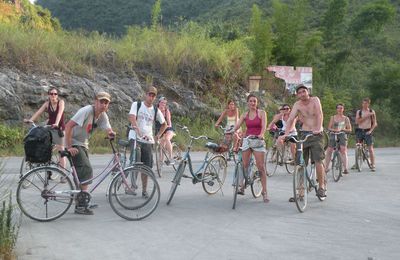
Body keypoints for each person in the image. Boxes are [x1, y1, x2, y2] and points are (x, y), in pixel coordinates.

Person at [64, 91, 115, 215]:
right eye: (101, 102)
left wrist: (110, 133)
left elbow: (107, 127)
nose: (103, 105)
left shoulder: (102, 115)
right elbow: (68, 126)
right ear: (95, 102)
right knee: (86, 169)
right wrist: (69, 147)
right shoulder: (86, 111)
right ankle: (82, 205)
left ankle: (81, 200)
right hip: (74, 142)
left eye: (106, 103)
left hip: (83, 144)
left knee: (81, 174)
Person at [279, 84, 327, 199]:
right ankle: (300, 192)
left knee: (318, 160)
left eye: (304, 92)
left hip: (316, 134)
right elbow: (290, 119)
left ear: (308, 92)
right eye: (299, 92)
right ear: (297, 95)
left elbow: (320, 114)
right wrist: (286, 134)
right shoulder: (297, 105)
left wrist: (318, 128)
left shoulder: (315, 100)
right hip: (304, 133)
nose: (302, 94)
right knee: (300, 163)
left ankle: (321, 187)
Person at [128, 86, 167, 197]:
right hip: (135, 137)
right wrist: (136, 128)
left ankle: (144, 190)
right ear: (146, 94)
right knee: (136, 160)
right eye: (149, 94)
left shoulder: (155, 110)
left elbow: (164, 124)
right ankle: (132, 186)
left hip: (148, 140)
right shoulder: (137, 105)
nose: (151, 97)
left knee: (146, 167)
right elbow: (131, 117)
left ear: (155, 97)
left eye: (153, 95)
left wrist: (158, 136)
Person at [232, 94, 269, 203]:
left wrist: (261, 134)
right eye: (251, 101)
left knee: (261, 167)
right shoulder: (245, 114)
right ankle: (241, 185)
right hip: (247, 140)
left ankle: (265, 192)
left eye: (254, 101)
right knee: (244, 164)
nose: (253, 103)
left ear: (257, 103)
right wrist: (232, 131)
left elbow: (263, 126)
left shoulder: (262, 113)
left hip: (258, 141)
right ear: (248, 103)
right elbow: (237, 125)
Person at [24, 86, 66, 169]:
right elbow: (39, 112)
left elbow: (59, 114)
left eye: (55, 94)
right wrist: (30, 120)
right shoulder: (47, 104)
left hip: (59, 128)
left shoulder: (61, 102)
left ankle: (63, 174)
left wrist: (56, 123)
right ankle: (48, 168)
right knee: (45, 146)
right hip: (50, 127)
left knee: (61, 150)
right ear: (49, 95)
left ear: (57, 95)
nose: (53, 95)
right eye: (51, 94)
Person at [324, 104, 352, 174]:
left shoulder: (346, 118)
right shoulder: (333, 117)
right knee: (329, 151)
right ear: (336, 109)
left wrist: (343, 129)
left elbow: (350, 129)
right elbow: (329, 127)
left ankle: (345, 168)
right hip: (333, 134)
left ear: (343, 109)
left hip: (342, 134)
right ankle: (326, 168)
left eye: (341, 108)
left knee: (343, 150)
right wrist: (334, 130)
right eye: (338, 108)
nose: (340, 110)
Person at [355, 98, 378, 171]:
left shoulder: (372, 111)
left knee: (370, 148)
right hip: (360, 130)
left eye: (366, 103)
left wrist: (371, 131)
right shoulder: (359, 112)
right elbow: (357, 122)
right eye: (363, 103)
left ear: (368, 104)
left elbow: (375, 123)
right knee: (358, 146)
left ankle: (373, 164)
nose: (364, 105)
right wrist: (367, 116)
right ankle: (357, 163)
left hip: (368, 130)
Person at [156, 96, 175, 164]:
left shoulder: (166, 111)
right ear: (159, 103)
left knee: (167, 138)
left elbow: (169, 122)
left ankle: (170, 157)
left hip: (168, 128)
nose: (163, 104)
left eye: (164, 103)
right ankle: (160, 162)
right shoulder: (155, 110)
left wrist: (167, 127)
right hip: (159, 130)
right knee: (161, 146)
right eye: (162, 103)